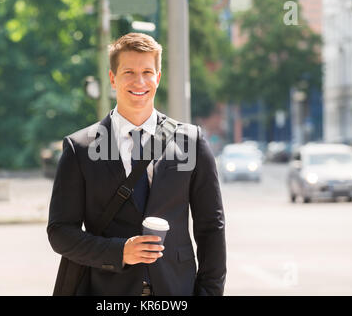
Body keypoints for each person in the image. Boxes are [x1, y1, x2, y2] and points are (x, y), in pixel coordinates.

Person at [47, 32, 226, 296]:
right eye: (128, 72)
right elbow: (60, 232)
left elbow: (211, 227)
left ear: (158, 78)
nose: (139, 81)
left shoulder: (191, 141)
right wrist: (120, 251)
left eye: (147, 72)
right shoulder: (80, 148)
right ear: (112, 79)